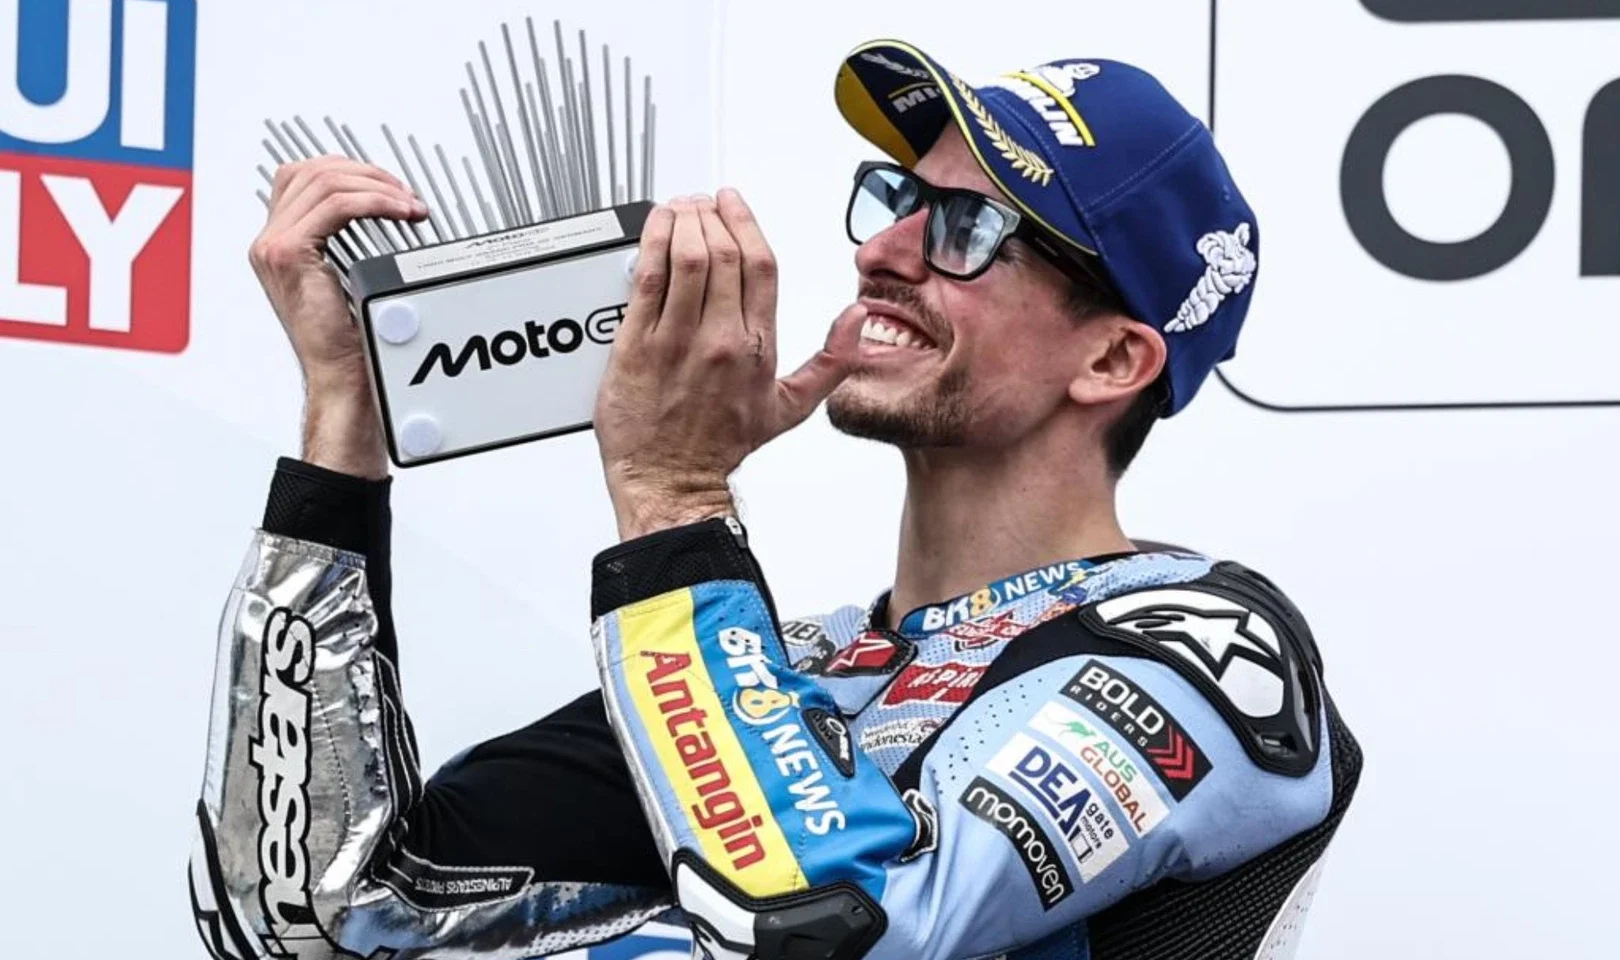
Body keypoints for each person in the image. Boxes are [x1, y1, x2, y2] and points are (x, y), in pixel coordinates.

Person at [189, 39, 1361, 960]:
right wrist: (340, 442)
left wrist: (675, 496)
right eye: (895, 196)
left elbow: (833, 930)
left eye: (967, 227)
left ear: (1111, 359)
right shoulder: (795, 665)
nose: (884, 251)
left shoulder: (1208, 652)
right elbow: (317, 918)